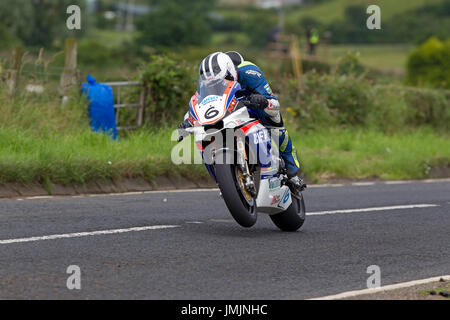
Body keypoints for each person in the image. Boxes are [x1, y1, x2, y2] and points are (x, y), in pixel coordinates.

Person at [178, 51, 306, 191]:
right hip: (226, 112)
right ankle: (225, 183)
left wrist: (262, 100)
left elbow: (274, 104)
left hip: (251, 104)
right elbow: (199, 105)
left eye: (221, 80)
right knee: (203, 136)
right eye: (211, 84)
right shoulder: (205, 85)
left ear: (230, 71)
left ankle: (290, 166)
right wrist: (187, 121)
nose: (214, 85)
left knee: (273, 117)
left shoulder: (250, 72)